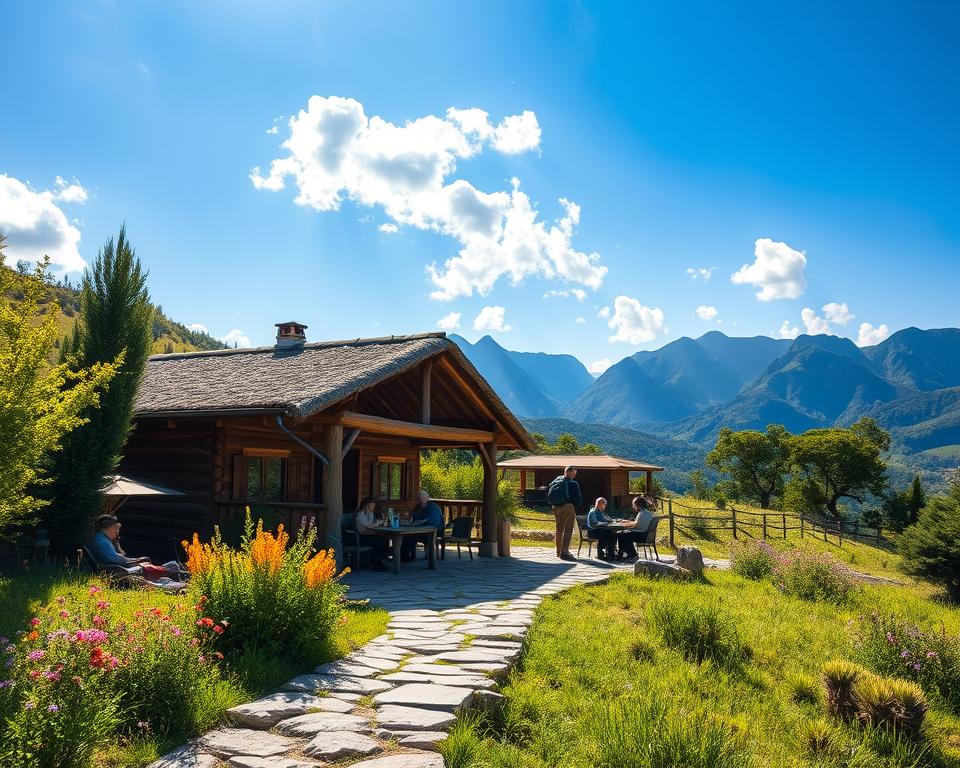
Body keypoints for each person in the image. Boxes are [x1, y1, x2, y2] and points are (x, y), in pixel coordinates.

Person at [89, 515, 185, 582]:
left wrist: (134, 560)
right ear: (108, 528)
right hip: (115, 570)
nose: (117, 531)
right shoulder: (100, 540)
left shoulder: (102, 538)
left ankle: (172, 570)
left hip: (115, 568)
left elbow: (117, 557)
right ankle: (172, 571)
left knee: (147, 564)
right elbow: (113, 559)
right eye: (115, 528)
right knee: (148, 567)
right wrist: (135, 561)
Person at [549, 466, 582, 562]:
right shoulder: (573, 483)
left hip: (555, 506)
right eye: (575, 473)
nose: (575, 474)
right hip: (567, 506)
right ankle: (565, 552)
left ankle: (558, 551)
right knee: (568, 529)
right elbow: (577, 499)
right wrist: (577, 505)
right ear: (570, 473)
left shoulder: (557, 481)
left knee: (559, 529)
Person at [400, 490, 444, 561]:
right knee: (405, 536)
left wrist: (419, 523)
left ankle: (406, 557)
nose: (419, 500)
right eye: (417, 498)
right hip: (420, 530)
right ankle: (405, 556)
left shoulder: (433, 507)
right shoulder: (417, 508)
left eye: (421, 498)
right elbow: (414, 521)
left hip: (435, 531)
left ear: (427, 498)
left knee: (409, 537)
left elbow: (434, 521)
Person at [355, 496, 389, 571]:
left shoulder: (370, 514)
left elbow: (371, 524)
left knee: (384, 539)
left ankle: (380, 561)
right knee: (379, 542)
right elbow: (368, 526)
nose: (373, 507)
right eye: (372, 505)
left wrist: (377, 523)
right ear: (367, 505)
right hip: (361, 537)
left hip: (369, 535)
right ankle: (377, 564)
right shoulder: (360, 514)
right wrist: (379, 523)